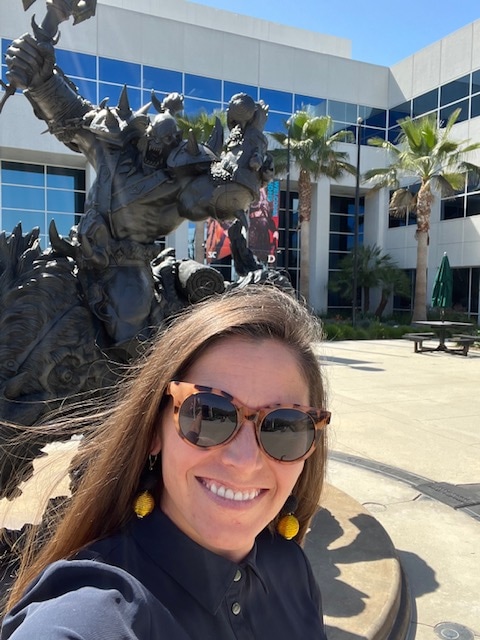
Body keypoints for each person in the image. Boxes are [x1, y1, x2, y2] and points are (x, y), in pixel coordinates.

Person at [0, 285, 331, 639]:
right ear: (155, 431)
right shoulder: (97, 609)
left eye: (284, 426)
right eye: (208, 414)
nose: (245, 460)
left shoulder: (292, 568)